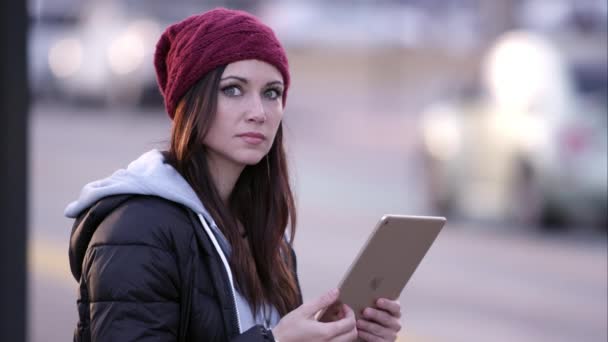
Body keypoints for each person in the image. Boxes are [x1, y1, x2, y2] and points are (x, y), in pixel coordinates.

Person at [65, 7, 402, 342]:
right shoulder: (137, 229)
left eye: (271, 93)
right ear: (191, 102)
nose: (258, 113)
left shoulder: (267, 235)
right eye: (233, 89)